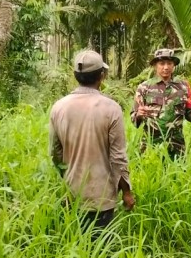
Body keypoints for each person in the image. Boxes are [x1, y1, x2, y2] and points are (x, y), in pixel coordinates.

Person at [49, 50, 135, 239]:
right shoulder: (111, 108)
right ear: (101, 76)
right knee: (101, 248)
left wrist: (67, 177)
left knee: (76, 244)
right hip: (102, 197)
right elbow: (118, 157)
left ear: (75, 76)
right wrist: (127, 192)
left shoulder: (58, 107)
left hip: (72, 194)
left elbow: (55, 152)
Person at [130, 48, 191, 159]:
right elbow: (134, 118)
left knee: (178, 169)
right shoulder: (144, 87)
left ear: (174, 65)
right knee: (150, 168)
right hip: (150, 144)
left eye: (169, 63)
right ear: (155, 65)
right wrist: (139, 114)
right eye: (162, 63)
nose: (166, 67)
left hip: (176, 144)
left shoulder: (183, 86)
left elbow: (189, 112)